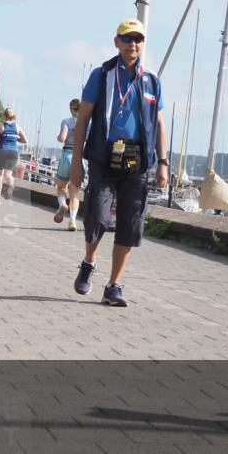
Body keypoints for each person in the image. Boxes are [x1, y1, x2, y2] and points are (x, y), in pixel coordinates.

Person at [69, 19, 168, 307]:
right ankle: (89, 261)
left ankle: (114, 285)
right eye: (127, 39)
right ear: (117, 42)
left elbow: (160, 124)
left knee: (130, 224)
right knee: (97, 217)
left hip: (137, 161)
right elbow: (83, 120)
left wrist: (162, 162)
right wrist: (77, 162)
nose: (132, 45)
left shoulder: (152, 81)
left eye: (137, 39)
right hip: (103, 156)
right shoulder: (102, 76)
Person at [54, 98, 82, 231]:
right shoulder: (86, 123)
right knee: (75, 193)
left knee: (61, 187)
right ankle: (72, 221)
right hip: (80, 157)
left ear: (71, 109)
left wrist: (60, 136)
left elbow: (62, 138)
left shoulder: (66, 122)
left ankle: (62, 204)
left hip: (67, 155)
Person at [0, 108, 27, 203]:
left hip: (2, 150)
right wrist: (15, 139)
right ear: (13, 115)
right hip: (13, 152)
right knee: (8, 174)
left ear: (4, 115)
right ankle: (11, 184)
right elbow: (25, 140)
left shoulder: (0, 126)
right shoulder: (17, 127)